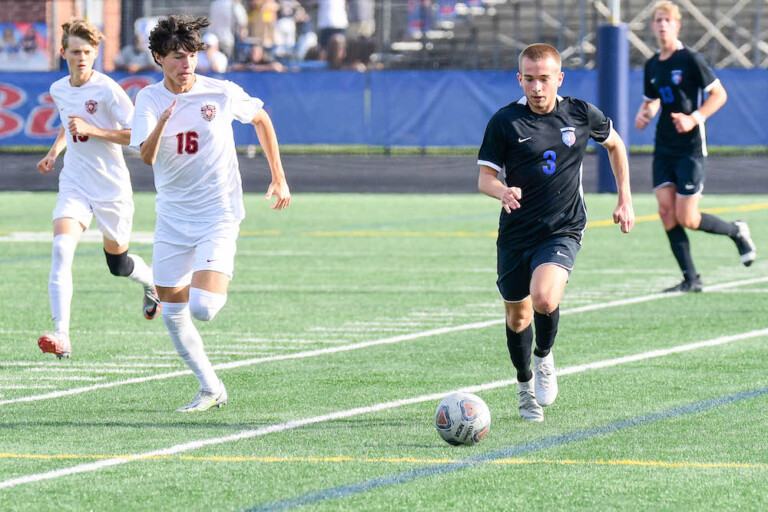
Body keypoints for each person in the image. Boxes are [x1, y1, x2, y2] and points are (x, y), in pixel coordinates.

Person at [131, 15, 291, 412]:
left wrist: (279, 177)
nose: (185, 64)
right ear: (158, 58)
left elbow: (261, 119)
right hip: (171, 217)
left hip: (218, 213)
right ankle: (210, 387)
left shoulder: (220, 92)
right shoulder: (149, 100)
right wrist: (162, 123)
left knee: (203, 308)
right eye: (176, 57)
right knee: (173, 313)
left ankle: (174, 285)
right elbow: (146, 157)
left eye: (190, 56)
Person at [477, 43, 634, 422]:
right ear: (520, 79)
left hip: (562, 228)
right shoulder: (504, 122)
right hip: (516, 233)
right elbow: (485, 178)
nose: (536, 87)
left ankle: (544, 357)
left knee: (544, 298)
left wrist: (624, 198)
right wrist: (502, 191)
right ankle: (524, 385)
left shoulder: (580, 113)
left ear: (558, 78)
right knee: (517, 318)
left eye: (544, 79)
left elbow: (616, 146)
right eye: (529, 79)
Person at [36, 18, 160, 359]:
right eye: (75, 51)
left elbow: (139, 135)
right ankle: (62, 334)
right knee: (61, 251)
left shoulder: (107, 89)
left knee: (118, 265)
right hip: (74, 182)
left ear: (95, 53)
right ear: (63, 53)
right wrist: (53, 153)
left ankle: (151, 284)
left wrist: (94, 130)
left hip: (111, 187)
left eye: (88, 51)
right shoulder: (60, 88)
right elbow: (68, 123)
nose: (81, 57)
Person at [635, 1, 755, 293]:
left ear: (676, 25)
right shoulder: (652, 64)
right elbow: (652, 100)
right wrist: (645, 113)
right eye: (658, 20)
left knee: (687, 218)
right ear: (653, 26)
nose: (662, 24)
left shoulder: (690, 59)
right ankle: (691, 279)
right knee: (666, 212)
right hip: (664, 146)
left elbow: (719, 94)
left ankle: (735, 231)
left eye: (667, 20)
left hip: (690, 147)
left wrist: (694, 118)